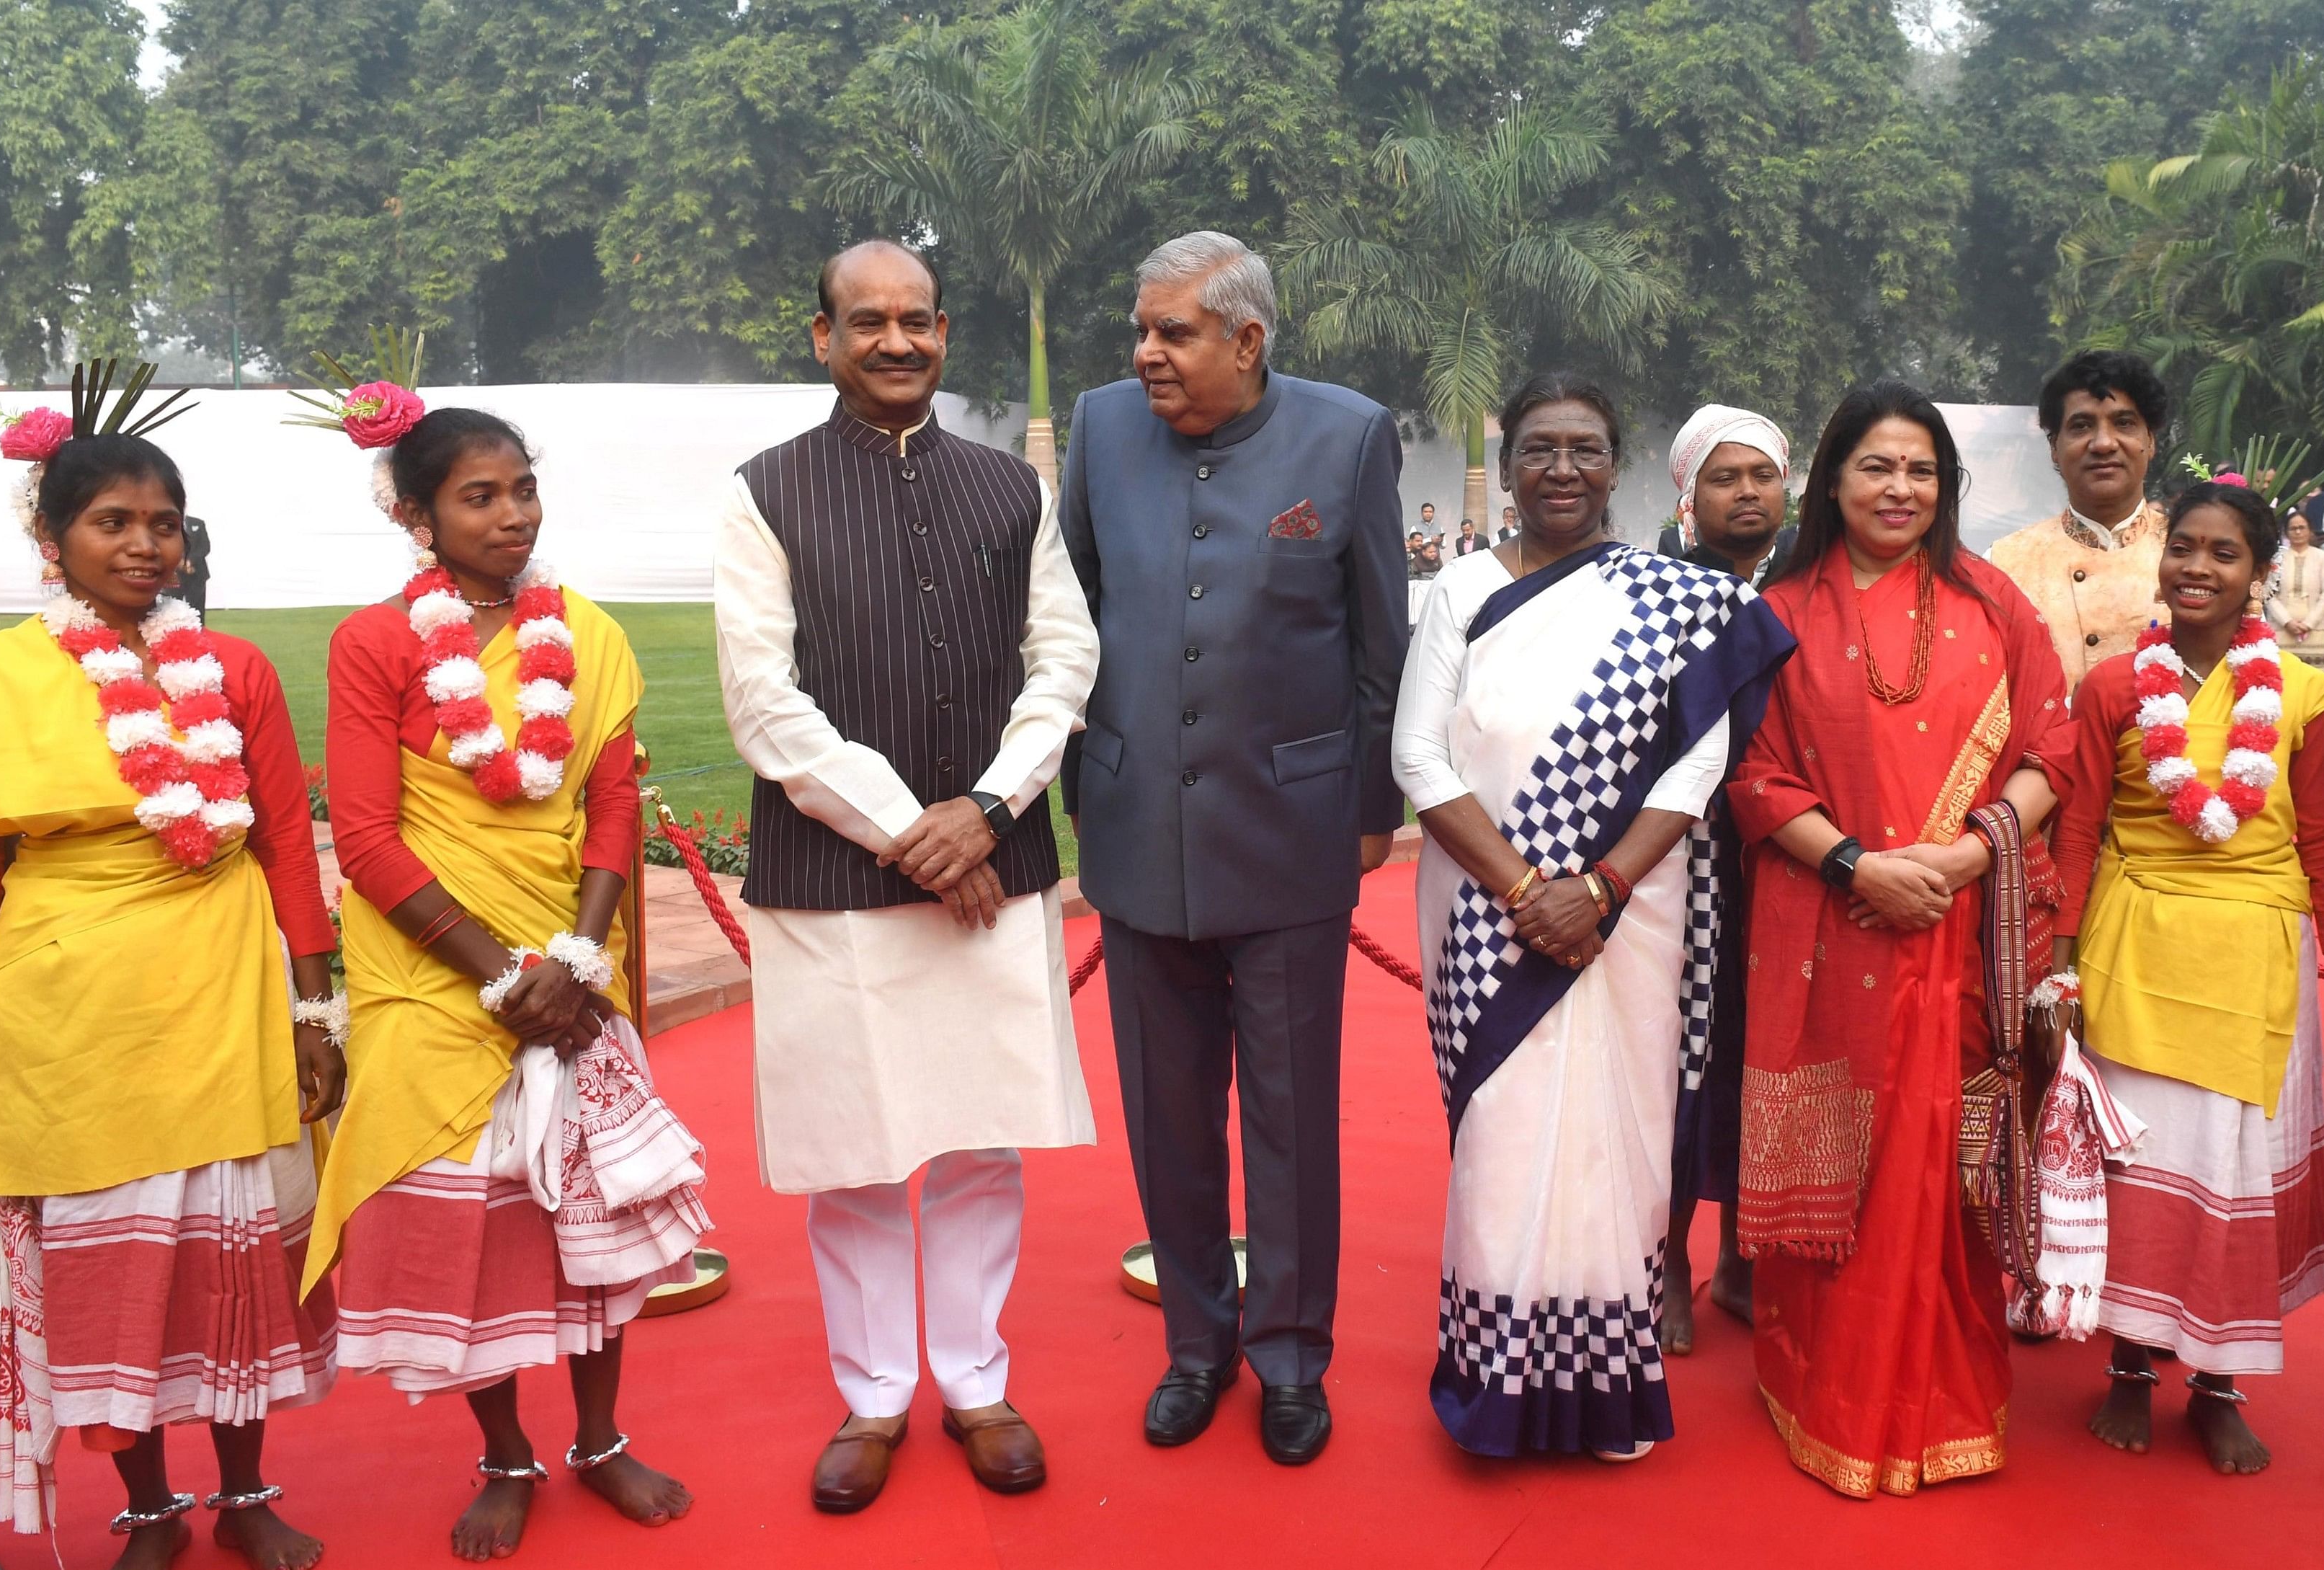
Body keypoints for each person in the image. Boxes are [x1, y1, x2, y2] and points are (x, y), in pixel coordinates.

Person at [714, 240, 1099, 1513]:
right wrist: (911, 831)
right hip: (833, 877)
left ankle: (975, 1380)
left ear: (945, 335)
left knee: (986, 1139)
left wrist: (985, 812)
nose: (895, 341)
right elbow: (763, 703)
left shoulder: (1009, 488)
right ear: (819, 336)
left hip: (996, 857)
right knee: (860, 1151)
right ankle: (875, 1394)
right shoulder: (763, 490)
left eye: (917, 321)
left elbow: (1064, 661)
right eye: (867, 320)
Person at [0, 382, 342, 1570]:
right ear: (54, 540)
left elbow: (289, 839)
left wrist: (314, 1007)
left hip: (225, 986)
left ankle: (244, 1496)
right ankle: (146, 1509)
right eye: (113, 521)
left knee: (231, 1255)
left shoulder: (232, 668)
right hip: (66, 1003)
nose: (144, 543)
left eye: (165, 521)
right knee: (110, 1268)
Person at [314, 402, 695, 1559]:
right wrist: (505, 973)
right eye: (481, 496)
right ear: (415, 514)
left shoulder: (589, 634)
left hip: (571, 965)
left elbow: (616, 802)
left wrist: (578, 959)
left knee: (591, 1208)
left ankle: (596, 1437)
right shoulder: (373, 643)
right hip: (435, 976)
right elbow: (370, 838)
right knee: (475, 1220)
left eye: (524, 488)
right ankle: (506, 1452)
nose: (515, 514)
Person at [1059, 231, 1408, 1466]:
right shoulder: (1100, 428)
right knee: (1166, 1115)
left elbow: (1379, 643)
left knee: (1289, 1114)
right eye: (1140, 330)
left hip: (1294, 831)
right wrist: (1075, 783)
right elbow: (1075, 612)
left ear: (1247, 341)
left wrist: (1369, 807)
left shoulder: (1348, 434)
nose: (1144, 352)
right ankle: (1196, 1349)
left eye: (1171, 332)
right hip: (1137, 826)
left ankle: (1291, 1358)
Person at [1394, 373, 1790, 1461]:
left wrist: (1602, 887)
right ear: (1510, 462)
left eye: (1583, 447)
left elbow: (1701, 759)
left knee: (1621, 1128)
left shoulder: (1678, 602)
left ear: (1617, 464)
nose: (1560, 468)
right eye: (1538, 447)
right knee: (1503, 1134)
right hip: (1485, 907)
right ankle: (1495, 1380)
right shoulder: (1462, 587)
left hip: (1632, 910)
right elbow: (1415, 753)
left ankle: (1607, 1385)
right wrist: (1530, 891)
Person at [1729, 380, 2073, 1499]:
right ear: (1831, 479)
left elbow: (2053, 748)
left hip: (1960, 934)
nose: (1900, 488)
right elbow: (1754, 774)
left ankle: (1945, 1401)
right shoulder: (1777, 613)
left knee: (1945, 1154)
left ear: (1946, 486)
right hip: (1829, 929)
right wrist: (1857, 864)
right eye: (1877, 466)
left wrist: (1972, 855)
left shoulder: (1994, 605)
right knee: (1839, 1150)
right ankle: (1820, 1385)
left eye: (1921, 469)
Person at [2045, 478, 2324, 1475]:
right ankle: (2134, 1367)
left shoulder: (2303, 695)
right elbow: (2076, 825)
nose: (2195, 566)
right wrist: (2054, 970)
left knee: (2231, 1171)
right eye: (2182, 546)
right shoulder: (2112, 687)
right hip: (2133, 942)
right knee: (2143, 1170)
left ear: (2260, 574)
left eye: (2222, 553)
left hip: (2256, 956)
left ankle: (2222, 1382)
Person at [1656, 404, 1797, 1353]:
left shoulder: (1812, 590)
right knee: (1679, 1063)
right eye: (1724, 477)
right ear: (1689, 495)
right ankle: (1664, 1262)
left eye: (1761, 475)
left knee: (1768, 1051)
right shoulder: (1655, 594)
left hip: (1788, 859)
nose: (1746, 491)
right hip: (1681, 862)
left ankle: (1746, 1259)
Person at [1987, 349, 2171, 687]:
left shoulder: (2193, 554)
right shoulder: (2002, 565)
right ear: (2054, 448)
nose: (2103, 444)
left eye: (2124, 423)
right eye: (2082, 425)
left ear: (2150, 441)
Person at [2265, 509, 2324, 668]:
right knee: (2283, 678)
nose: (2298, 532)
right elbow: (2268, 593)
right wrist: (2287, 622)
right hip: (2282, 630)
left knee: (2316, 683)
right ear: (2285, 532)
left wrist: (2309, 623)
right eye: (2293, 528)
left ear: (2310, 530)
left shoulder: (2323, 557)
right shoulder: (2277, 558)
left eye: (2302, 527)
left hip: (2316, 630)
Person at [178, 513, 213, 618]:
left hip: (197, 574)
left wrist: (190, 561)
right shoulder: (166, 524)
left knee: (197, 610)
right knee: (171, 610)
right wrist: (179, 561)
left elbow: (205, 547)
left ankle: (199, 633)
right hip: (173, 575)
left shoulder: (198, 523)